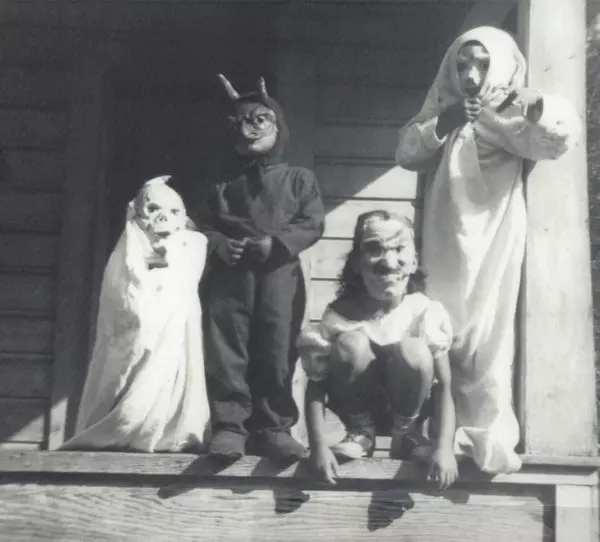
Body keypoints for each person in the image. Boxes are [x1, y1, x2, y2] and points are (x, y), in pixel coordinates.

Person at [395, 26, 581, 473]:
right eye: (462, 65)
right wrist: (447, 121)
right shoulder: (445, 104)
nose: (472, 75)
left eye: (482, 64)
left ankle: (485, 434)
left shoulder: (512, 110)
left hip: (494, 233)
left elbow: (558, 137)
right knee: (441, 323)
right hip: (445, 230)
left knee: (489, 331)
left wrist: (537, 105)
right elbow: (407, 151)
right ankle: (436, 432)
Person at [199, 75, 325, 461]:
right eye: (238, 122)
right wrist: (218, 243)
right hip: (230, 279)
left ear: (278, 126)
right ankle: (230, 426)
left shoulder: (298, 178)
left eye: (258, 120)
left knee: (277, 346)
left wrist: (278, 243)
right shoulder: (221, 183)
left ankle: (273, 427)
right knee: (227, 347)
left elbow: (313, 222)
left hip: (279, 278)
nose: (247, 129)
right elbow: (199, 224)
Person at [298, 211, 458, 489]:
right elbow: (316, 386)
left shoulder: (423, 312)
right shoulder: (340, 316)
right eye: (375, 249)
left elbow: (444, 385)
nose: (389, 262)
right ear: (357, 263)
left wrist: (444, 447)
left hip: (409, 409)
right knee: (351, 344)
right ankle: (361, 434)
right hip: (356, 405)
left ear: (414, 261)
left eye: (399, 249)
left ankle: (405, 437)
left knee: (413, 350)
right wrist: (318, 446)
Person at [62, 176, 211, 452]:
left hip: (172, 330)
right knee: (128, 364)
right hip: (135, 330)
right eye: (153, 210)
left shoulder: (191, 245)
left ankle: (163, 429)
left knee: (169, 364)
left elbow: (183, 282)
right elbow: (123, 294)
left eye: (173, 212)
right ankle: (122, 423)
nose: (163, 218)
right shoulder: (128, 248)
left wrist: (169, 254)